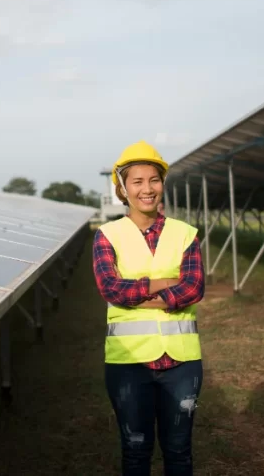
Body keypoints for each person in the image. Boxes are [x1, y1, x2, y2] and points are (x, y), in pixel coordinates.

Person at [92, 141, 205, 476]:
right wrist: (164, 283)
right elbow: (111, 290)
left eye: (154, 179)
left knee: (179, 450)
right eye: (137, 181)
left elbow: (194, 288)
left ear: (162, 184)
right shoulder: (107, 235)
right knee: (136, 449)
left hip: (181, 363)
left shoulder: (186, 234)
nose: (147, 188)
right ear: (122, 190)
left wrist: (137, 291)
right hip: (129, 362)